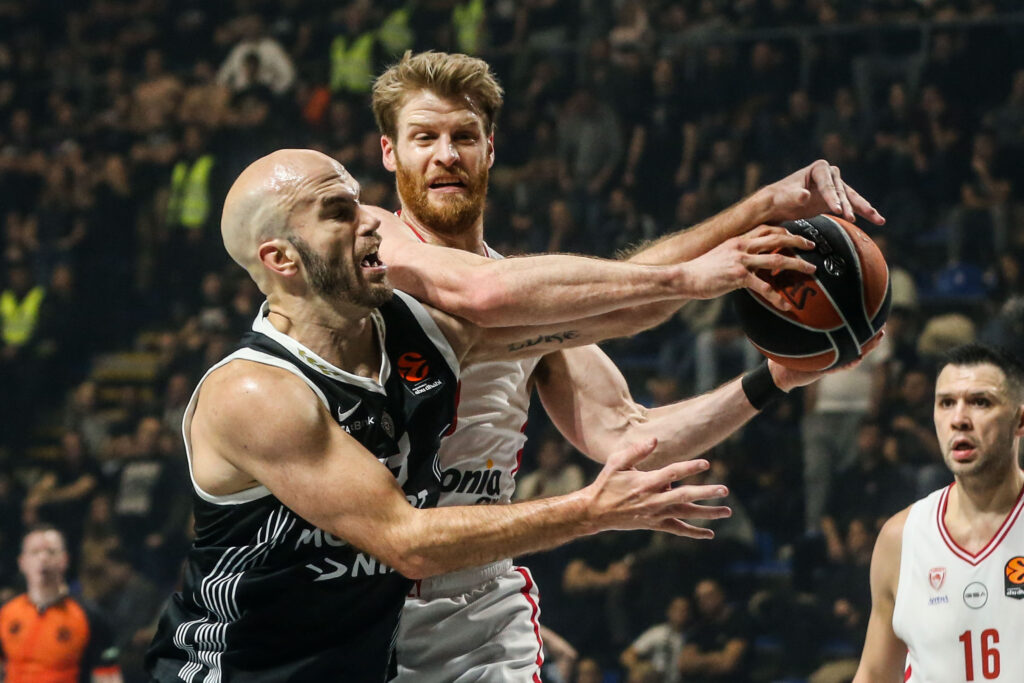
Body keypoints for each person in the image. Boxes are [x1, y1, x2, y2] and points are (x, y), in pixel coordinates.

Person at [366, 50, 885, 681]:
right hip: (364, 588)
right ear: (390, 152)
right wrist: (717, 247)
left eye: (465, 136)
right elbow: (484, 295)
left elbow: (627, 434)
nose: (447, 155)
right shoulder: (367, 242)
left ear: (491, 149)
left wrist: (774, 378)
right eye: (424, 138)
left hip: (481, 605)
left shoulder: (534, 297)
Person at [145, 149, 737, 682]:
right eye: (338, 213)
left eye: (360, 202)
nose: (371, 220)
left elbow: (610, 313)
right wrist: (591, 510)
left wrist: (733, 247)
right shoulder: (256, 393)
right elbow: (409, 543)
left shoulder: (417, 335)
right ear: (281, 258)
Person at [853, 344, 1024, 681]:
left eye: (980, 402)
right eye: (946, 403)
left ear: (1020, 420)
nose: (958, 419)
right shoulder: (900, 538)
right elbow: (874, 674)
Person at [0, 525, 122, 683]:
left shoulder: (90, 617)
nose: (43, 558)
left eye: (51, 552)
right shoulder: (6, 612)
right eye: (35, 552)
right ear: (22, 562)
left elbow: (108, 677)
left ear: (64, 560)